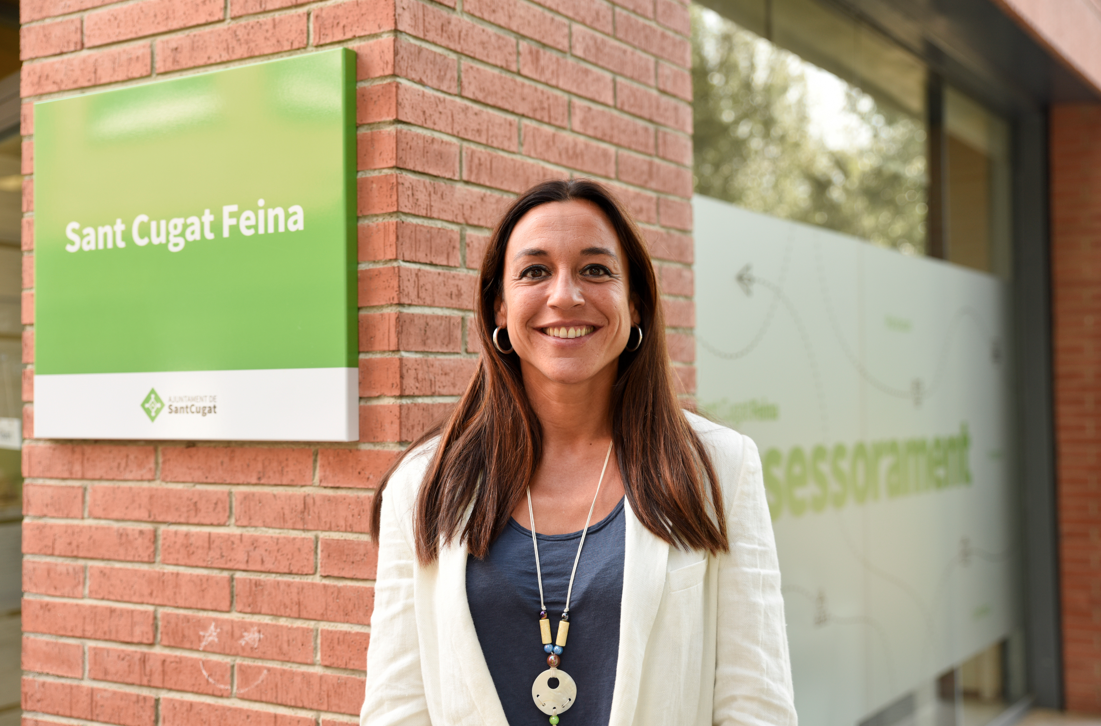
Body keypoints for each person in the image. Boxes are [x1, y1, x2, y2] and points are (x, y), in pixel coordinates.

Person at [360, 179, 796, 726]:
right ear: (498, 307)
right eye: (535, 271)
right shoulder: (425, 484)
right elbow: (396, 710)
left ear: (635, 304)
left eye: (595, 270)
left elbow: (756, 708)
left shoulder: (720, 467)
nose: (565, 295)